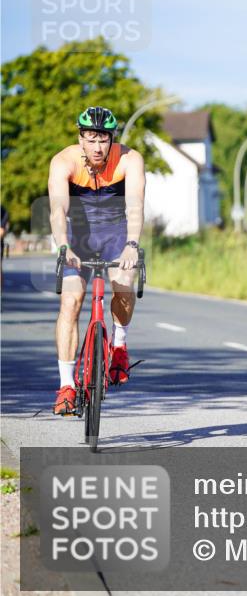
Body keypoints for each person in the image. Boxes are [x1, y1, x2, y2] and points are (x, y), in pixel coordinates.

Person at [48, 107, 146, 415]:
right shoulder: (63, 162)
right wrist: (64, 246)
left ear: (112, 139)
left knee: (124, 284)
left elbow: (135, 206)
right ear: (80, 138)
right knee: (71, 301)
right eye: (90, 139)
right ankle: (66, 386)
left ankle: (119, 345)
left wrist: (132, 245)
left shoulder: (130, 160)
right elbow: (57, 211)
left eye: (103, 139)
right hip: (77, 234)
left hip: (116, 233)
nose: (97, 147)